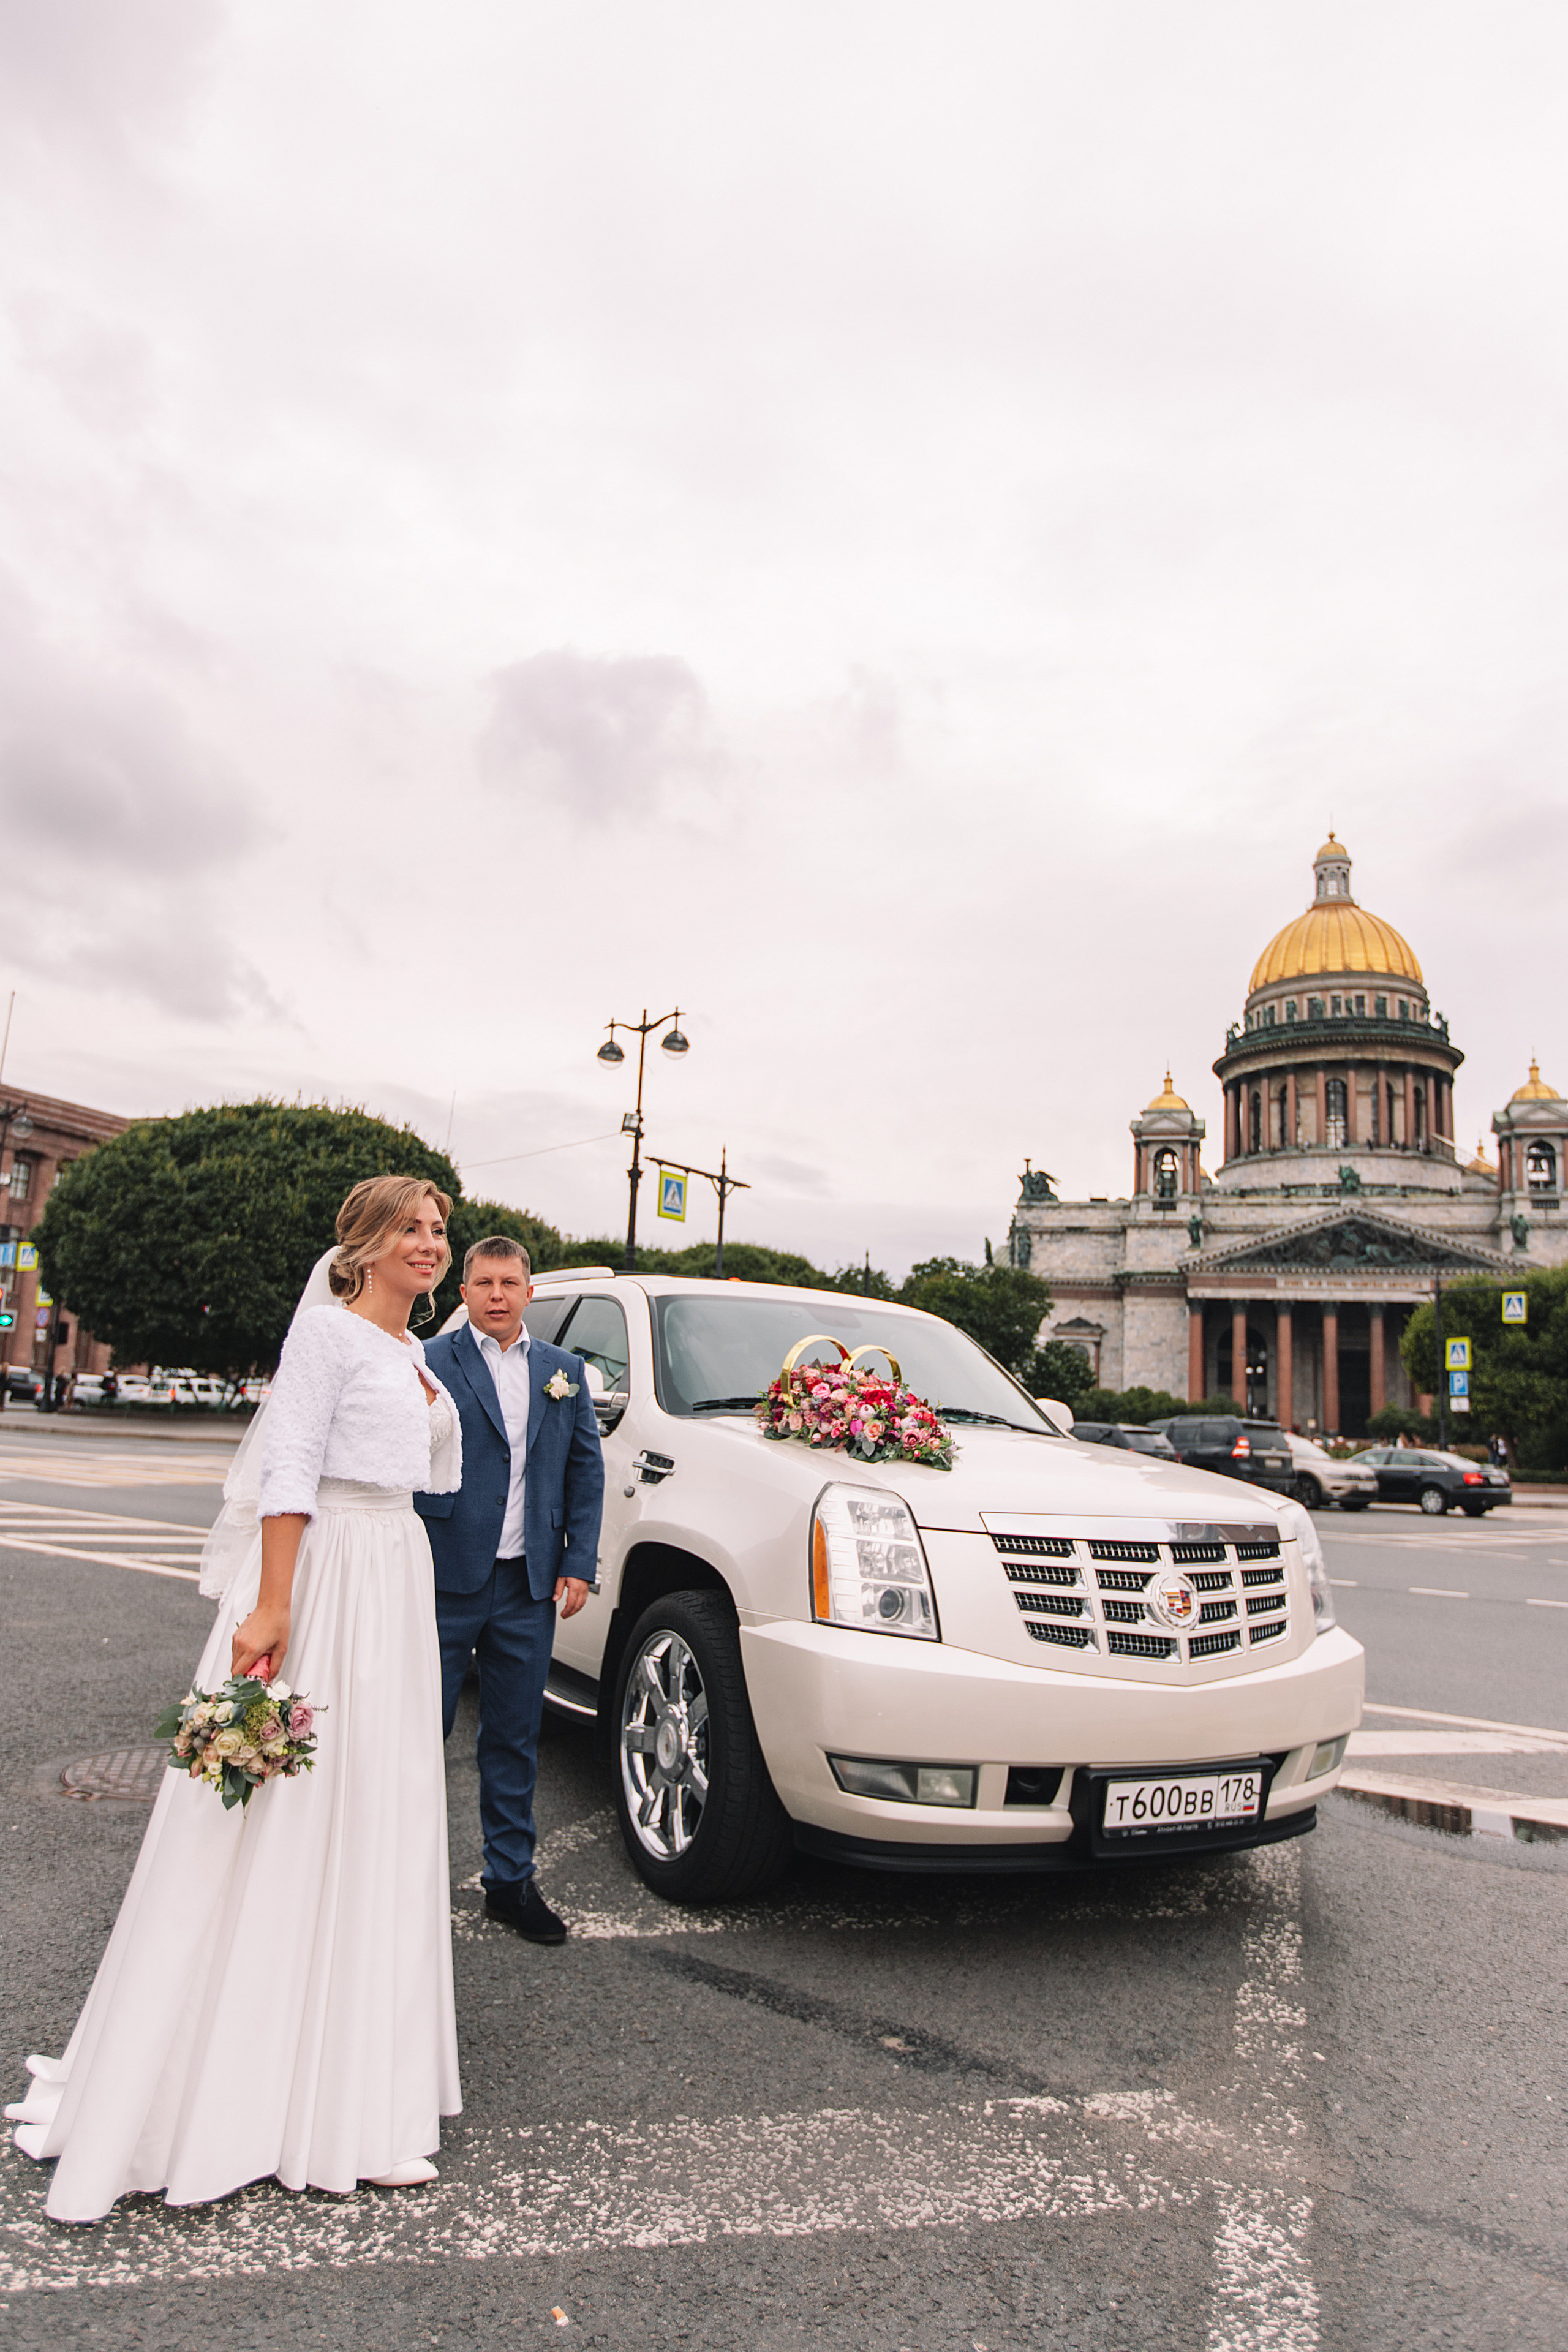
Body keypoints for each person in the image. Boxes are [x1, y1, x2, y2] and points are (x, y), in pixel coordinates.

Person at [7, 1175, 465, 2221]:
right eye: (411, 1230)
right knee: (286, 1809)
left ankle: (356, 2092)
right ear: (362, 1244)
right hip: (326, 1575)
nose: (430, 1245)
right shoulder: (331, 1337)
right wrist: (270, 1606)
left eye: (438, 1230)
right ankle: (236, 2092)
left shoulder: (409, 1354)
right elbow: (291, 1468)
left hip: (393, 1570)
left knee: (373, 1816)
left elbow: (427, 1477)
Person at [415, 1238, 603, 1946]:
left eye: (510, 1283)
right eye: (483, 1282)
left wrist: (577, 1563)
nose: (497, 1294)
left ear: (529, 1292)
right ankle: (405, 1881)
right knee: (416, 1733)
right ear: (462, 1292)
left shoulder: (564, 1372)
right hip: (441, 1577)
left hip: (526, 1586)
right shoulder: (429, 1362)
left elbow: (584, 1472)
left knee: (515, 1738)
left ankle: (510, 1881)